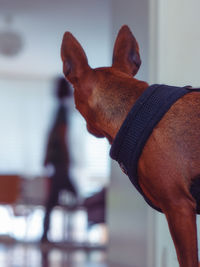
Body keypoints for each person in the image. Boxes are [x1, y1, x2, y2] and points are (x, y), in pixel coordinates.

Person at [41, 77, 78, 242]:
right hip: (61, 162)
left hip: (57, 162)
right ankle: (46, 236)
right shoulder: (62, 110)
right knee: (61, 198)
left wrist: (46, 157)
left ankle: (47, 235)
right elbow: (62, 136)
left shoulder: (58, 110)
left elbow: (50, 135)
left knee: (54, 199)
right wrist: (68, 158)